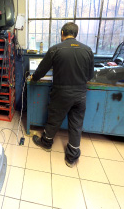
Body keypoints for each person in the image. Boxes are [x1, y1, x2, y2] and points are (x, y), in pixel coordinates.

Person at [30, 22, 94, 167]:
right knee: (76, 124)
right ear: (76, 34)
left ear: (62, 33)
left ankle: (46, 143)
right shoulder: (88, 50)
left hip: (61, 93)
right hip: (80, 94)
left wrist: (33, 79)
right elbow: (90, 76)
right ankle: (71, 157)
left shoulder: (55, 49)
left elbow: (41, 70)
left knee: (54, 118)